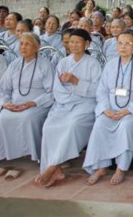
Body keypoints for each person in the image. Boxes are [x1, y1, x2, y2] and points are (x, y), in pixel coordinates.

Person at [83, 30, 133, 185]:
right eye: (120, 43)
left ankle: (121, 168)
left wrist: (128, 111)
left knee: (126, 126)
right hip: (111, 110)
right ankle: (101, 166)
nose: (123, 47)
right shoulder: (110, 65)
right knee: (100, 123)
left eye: (128, 43)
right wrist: (105, 109)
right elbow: (102, 91)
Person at [36, 29, 103, 188]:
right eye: (71, 42)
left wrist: (76, 81)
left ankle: (53, 166)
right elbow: (57, 88)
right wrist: (69, 98)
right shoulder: (63, 62)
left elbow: (98, 90)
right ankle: (55, 169)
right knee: (49, 126)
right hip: (64, 103)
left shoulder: (93, 64)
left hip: (85, 104)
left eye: (77, 42)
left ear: (87, 44)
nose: (73, 45)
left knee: (72, 126)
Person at [0, 33, 54, 168]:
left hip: (38, 104)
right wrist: (5, 103)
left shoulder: (45, 65)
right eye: (21, 44)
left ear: (37, 47)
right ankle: (2, 152)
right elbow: (3, 89)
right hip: (14, 103)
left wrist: (33, 103)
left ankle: (34, 153)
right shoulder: (15, 64)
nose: (23, 47)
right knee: (3, 118)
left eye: (27, 44)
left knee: (28, 118)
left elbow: (51, 91)